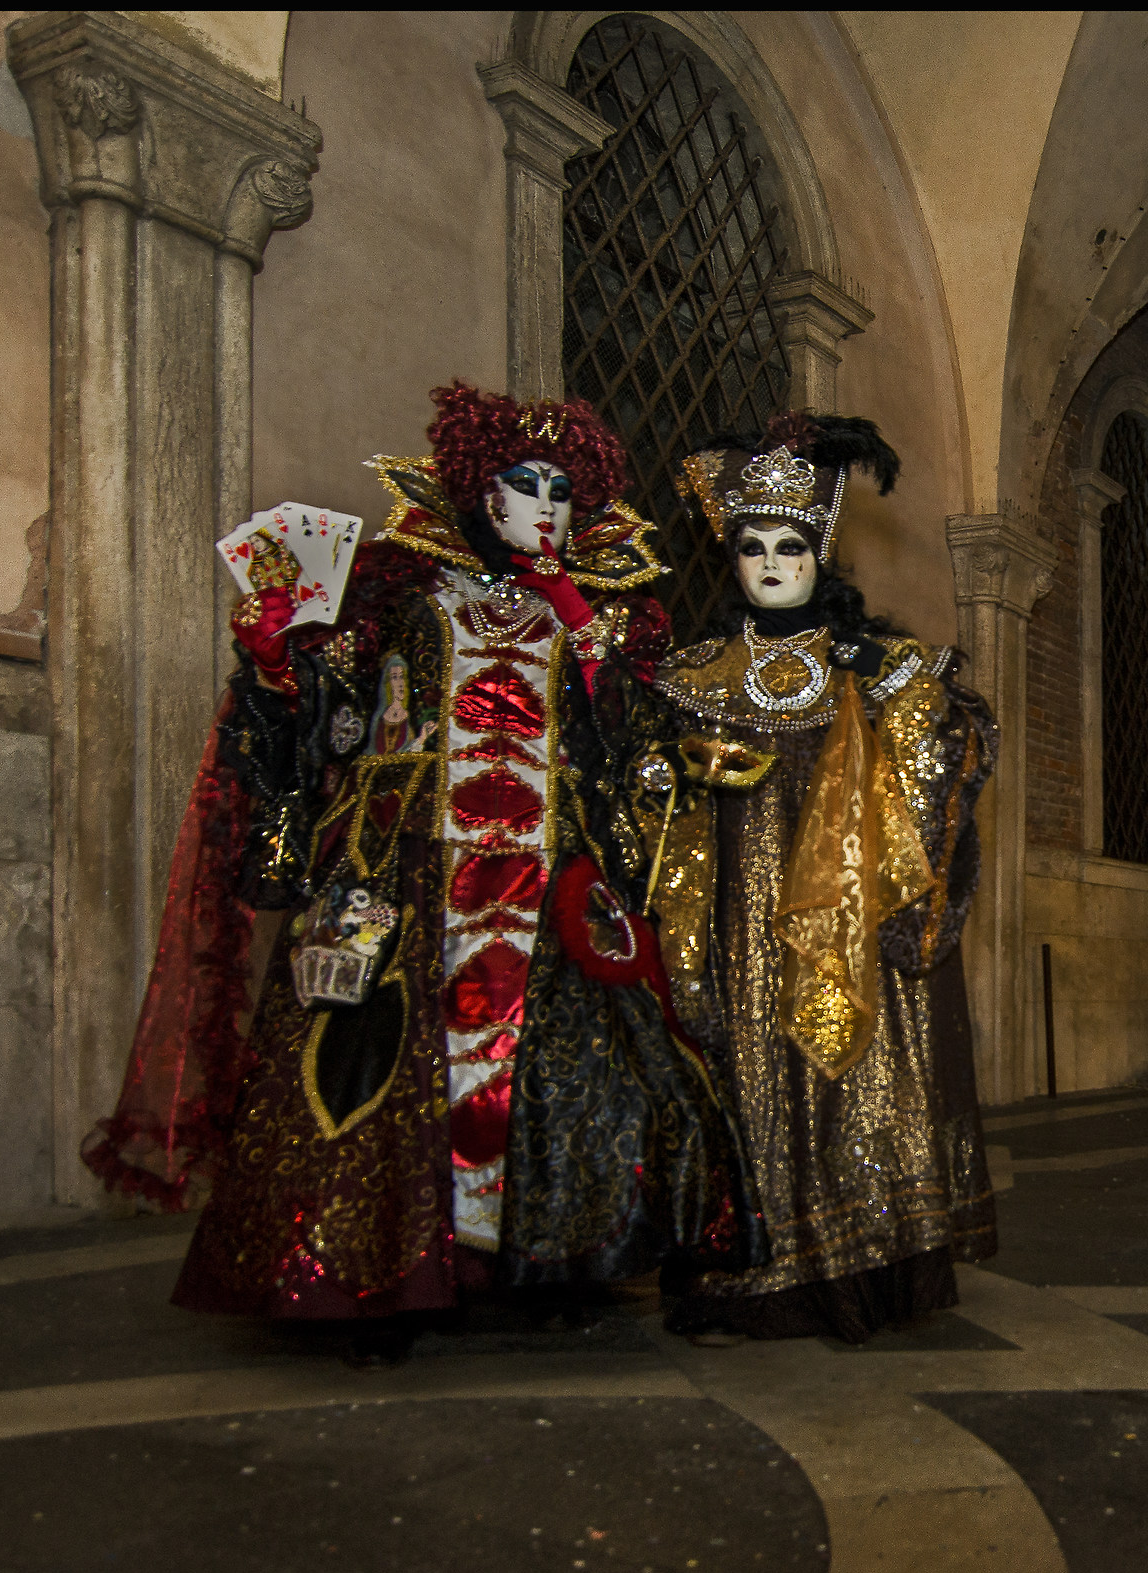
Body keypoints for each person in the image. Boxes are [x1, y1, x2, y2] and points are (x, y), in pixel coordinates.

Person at [86, 381, 762, 1365]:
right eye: (526, 485)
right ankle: (373, 1278)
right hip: (413, 870)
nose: (546, 508)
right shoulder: (401, 596)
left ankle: (544, 1266)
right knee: (373, 1065)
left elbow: (631, 743)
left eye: (563, 491)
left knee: (576, 1073)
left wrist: (589, 640)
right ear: (483, 494)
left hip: (550, 876)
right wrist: (276, 662)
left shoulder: (607, 618)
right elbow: (334, 714)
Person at [650, 411, 999, 1344]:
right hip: (736, 919)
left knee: (857, 1079)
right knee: (750, 1081)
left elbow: (950, 758)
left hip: (851, 923)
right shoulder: (693, 676)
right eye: (753, 547)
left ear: (820, 556)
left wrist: (903, 710)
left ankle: (866, 1264)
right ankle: (757, 1275)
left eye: (791, 547)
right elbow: (648, 795)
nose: (771, 564)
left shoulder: (877, 669)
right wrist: (683, 772)